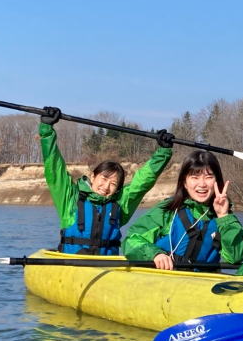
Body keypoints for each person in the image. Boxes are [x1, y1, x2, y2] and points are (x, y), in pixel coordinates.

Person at [38, 107, 175, 256]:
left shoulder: (120, 205)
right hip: (72, 268)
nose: (106, 187)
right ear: (92, 176)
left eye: (114, 184)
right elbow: (54, 169)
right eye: (104, 179)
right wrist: (47, 130)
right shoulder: (70, 199)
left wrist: (162, 152)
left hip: (106, 269)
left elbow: (142, 183)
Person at [122, 150, 243, 270]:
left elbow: (236, 257)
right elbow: (131, 240)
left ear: (217, 181)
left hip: (201, 284)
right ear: (184, 182)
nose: (202, 184)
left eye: (208, 177)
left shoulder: (225, 218)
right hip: (165, 279)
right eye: (195, 177)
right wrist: (155, 254)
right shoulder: (167, 210)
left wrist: (223, 216)